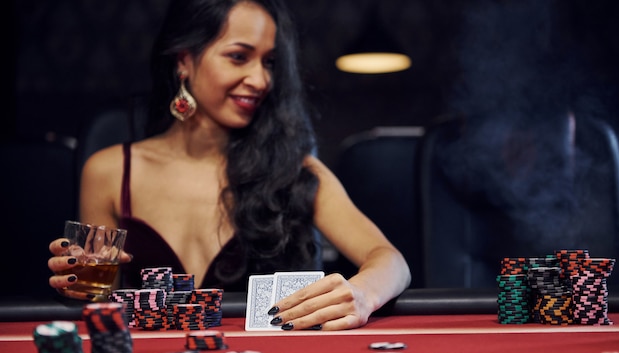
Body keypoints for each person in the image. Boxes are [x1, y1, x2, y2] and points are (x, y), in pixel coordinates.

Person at [47, 0, 411, 331]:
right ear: (184, 61)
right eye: (239, 56)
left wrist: (362, 294)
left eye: (268, 62)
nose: (260, 80)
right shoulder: (108, 171)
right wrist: (77, 278)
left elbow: (391, 261)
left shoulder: (294, 169)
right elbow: (100, 301)